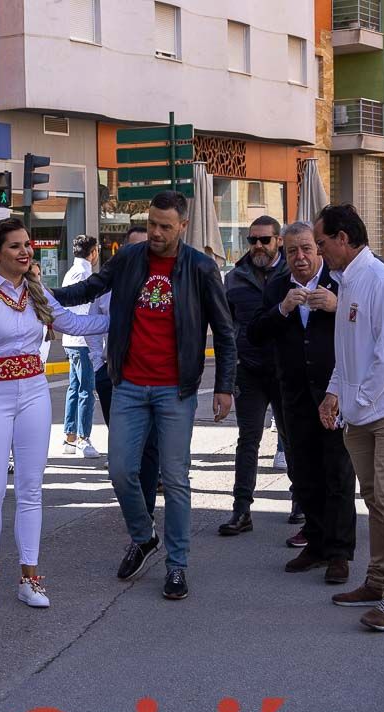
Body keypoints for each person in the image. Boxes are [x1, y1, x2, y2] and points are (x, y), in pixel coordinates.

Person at [53, 191, 236, 602]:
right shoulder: (130, 259)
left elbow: (224, 332)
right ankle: (143, 535)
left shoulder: (201, 268)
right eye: (152, 223)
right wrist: (43, 296)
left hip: (176, 388)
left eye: (164, 226)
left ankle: (177, 565)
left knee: (174, 478)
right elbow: (89, 289)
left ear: (182, 227)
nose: (155, 232)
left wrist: (224, 385)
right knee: (120, 470)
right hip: (130, 385)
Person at [0, 218, 108, 609]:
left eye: (27, 244)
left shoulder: (37, 292)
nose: (25, 251)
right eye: (15, 246)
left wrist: (127, 320)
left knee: (31, 489)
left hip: (32, 393)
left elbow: (76, 322)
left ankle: (30, 576)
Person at [313, 204, 384, 633]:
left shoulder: (381, 280)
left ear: (343, 238)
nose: (320, 252)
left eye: (322, 243)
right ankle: (377, 581)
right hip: (362, 409)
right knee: (375, 498)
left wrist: (356, 400)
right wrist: (334, 393)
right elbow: (348, 353)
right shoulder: (346, 281)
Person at [247, 221, 356, 585]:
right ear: (283, 250)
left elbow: (368, 326)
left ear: (319, 248)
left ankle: (340, 552)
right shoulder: (278, 287)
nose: (300, 257)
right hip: (293, 394)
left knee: (338, 473)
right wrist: (281, 310)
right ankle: (316, 542)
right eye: (292, 251)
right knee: (304, 473)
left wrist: (338, 306)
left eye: (307, 249)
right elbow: (255, 333)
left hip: (334, 394)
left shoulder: (342, 282)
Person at [220, 215, 299, 536]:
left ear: (278, 240)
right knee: (247, 441)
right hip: (250, 370)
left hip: (285, 369)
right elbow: (226, 329)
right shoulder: (235, 277)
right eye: (252, 240)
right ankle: (241, 511)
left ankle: (301, 501)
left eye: (264, 239)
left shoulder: (293, 272)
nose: (258, 246)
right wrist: (227, 376)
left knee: (292, 438)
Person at [91, 227, 160, 515]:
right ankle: (132, 497)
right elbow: (92, 323)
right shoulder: (110, 285)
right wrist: (98, 364)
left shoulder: (164, 284)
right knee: (122, 448)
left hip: (155, 375)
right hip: (115, 373)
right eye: (133, 248)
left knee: (150, 444)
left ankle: (145, 512)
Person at [61, 234, 100, 458]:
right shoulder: (85, 274)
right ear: (92, 252)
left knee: (74, 388)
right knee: (86, 389)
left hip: (71, 339)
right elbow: (85, 310)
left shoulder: (71, 272)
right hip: (83, 339)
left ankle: (70, 437)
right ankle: (84, 439)